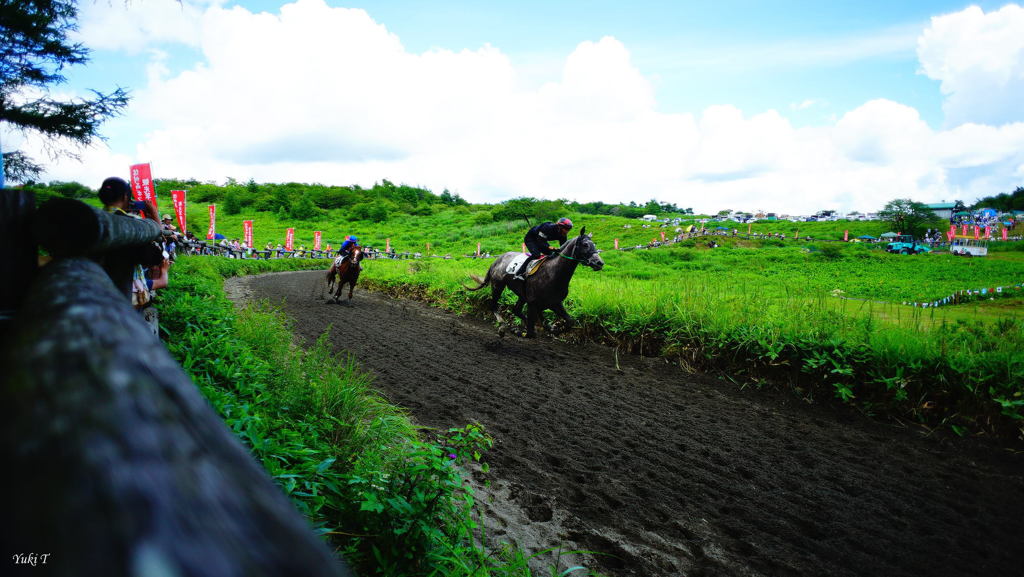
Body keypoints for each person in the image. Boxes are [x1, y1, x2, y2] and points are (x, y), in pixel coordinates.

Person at [98, 176, 169, 335]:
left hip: (96, 288)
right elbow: (155, 256)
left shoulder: (95, 220)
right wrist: (154, 213)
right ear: (125, 197)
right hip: (124, 290)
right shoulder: (130, 223)